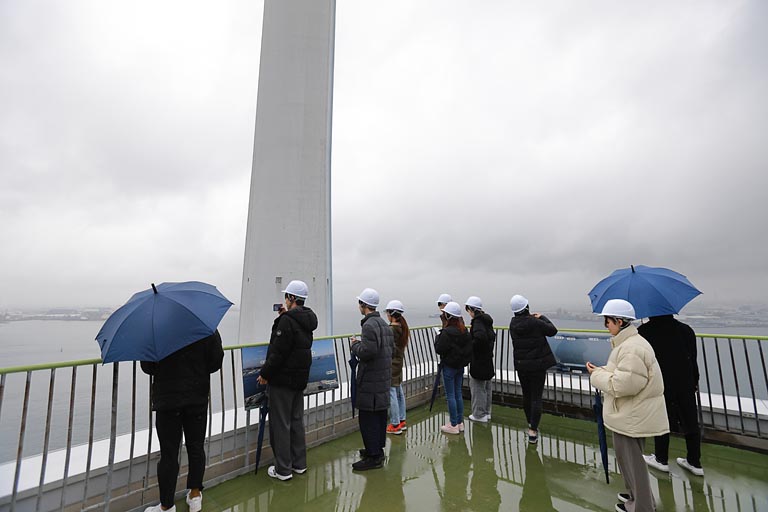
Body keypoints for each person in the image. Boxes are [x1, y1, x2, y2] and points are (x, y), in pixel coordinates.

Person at [587, 299, 669, 512]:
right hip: (630, 413)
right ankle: (634, 496)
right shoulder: (629, 344)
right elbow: (623, 375)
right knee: (627, 461)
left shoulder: (631, 348)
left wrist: (596, 376)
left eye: (607, 321)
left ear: (619, 321)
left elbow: (624, 385)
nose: (606, 326)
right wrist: (603, 371)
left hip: (631, 414)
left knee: (633, 464)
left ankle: (642, 506)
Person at [140, 331, 224, 512]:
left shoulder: (157, 329)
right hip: (196, 397)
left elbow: (147, 367)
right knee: (196, 447)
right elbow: (216, 361)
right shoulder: (205, 326)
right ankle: (195, 496)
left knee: (168, 454)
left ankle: (166, 505)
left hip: (168, 401)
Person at [256, 280, 318, 481]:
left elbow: (278, 353)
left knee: (281, 424)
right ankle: (299, 464)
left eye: (286, 296)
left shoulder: (287, 322)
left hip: (283, 380)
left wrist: (265, 374)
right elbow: (297, 341)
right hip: (299, 378)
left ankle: (283, 469)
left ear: (291, 298)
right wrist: (286, 316)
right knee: (296, 421)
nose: (285, 299)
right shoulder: (306, 320)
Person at [638, 315, 704, 476]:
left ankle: (661, 459)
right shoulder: (686, 330)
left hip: (660, 382)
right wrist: (694, 380)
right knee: (690, 419)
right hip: (685, 381)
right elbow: (692, 359)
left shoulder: (644, 332)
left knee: (662, 419)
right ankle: (694, 462)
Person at [350, 287, 394, 470]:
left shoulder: (368, 326)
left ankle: (373, 457)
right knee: (379, 416)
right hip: (383, 377)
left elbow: (368, 352)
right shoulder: (384, 324)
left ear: (364, 305)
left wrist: (355, 345)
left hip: (370, 379)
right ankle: (376, 450)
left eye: (360, 302)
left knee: (367, 417)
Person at [508, 294, 557, 444]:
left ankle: (530, 423)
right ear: (526, 307)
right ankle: (533, 431)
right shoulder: (535, 322)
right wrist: (542, 317)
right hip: (537, 365)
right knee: (536, 397)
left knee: (526, 396)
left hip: (522, 365)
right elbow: (552, 330)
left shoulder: (513, 324)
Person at [434, 301, 472, 434]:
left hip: (449, 367)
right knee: (458, 394)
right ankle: (460, 423)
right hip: (459, 367)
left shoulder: (446, 333)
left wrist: (438, 336)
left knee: (450, 395)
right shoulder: (464, 331)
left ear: (448, 316)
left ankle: (453, 424)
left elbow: (439, 349)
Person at [465, 296, 495, 423]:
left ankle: (478, 414)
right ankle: (487, 412)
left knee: (478, 388)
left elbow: (479, 338)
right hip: (487, 359)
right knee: (487, 387)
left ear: (471, 309)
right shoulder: (487, 321)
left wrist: (470, 344)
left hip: (479, 361)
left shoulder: (477, 322)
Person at [385, 299, 409, 435]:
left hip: (391, 364)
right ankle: (401, 420)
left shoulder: (391, 329)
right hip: (399, 363)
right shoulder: (402, 327)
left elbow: (388, 348)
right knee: (399, 392)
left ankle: (395, 424)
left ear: (391, 314)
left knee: (392, 393)